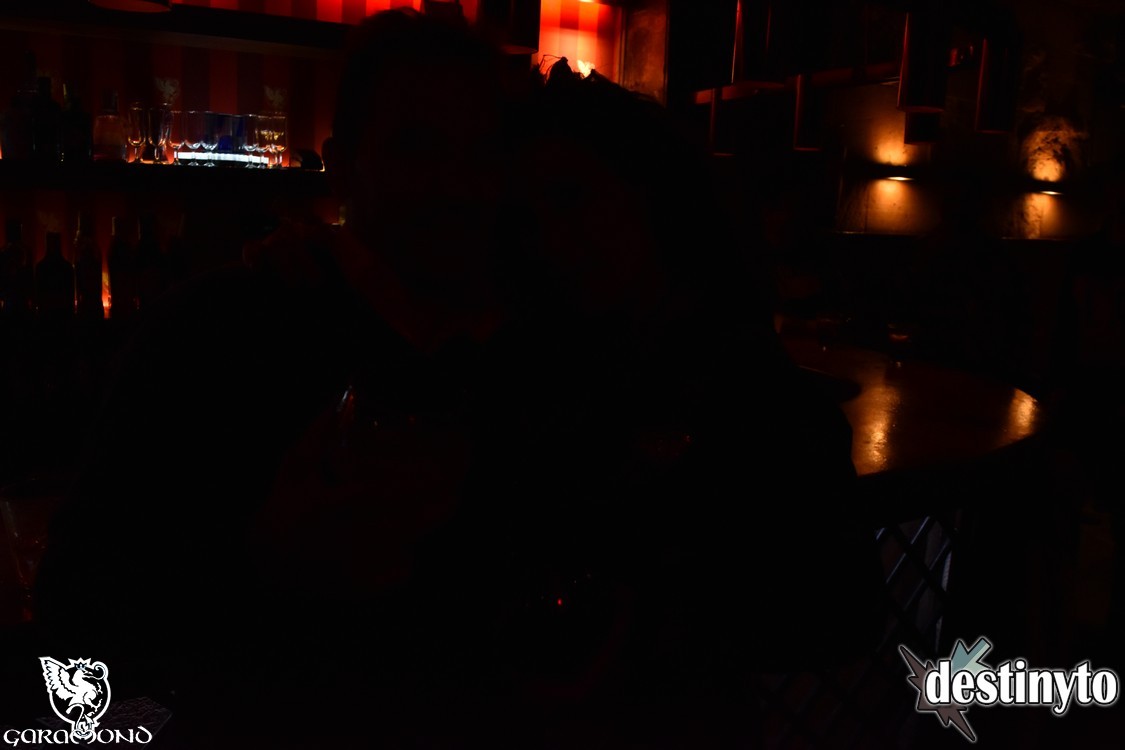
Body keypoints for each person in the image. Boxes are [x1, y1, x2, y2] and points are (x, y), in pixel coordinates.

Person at [32, 9, 884, 747]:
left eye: (481, 154)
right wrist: (259, 568)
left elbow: (823, 603)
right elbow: (77, 619)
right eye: (416, 147)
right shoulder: (220, 333)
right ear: (343, 165)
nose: (456, 185)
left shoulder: (550, 348)